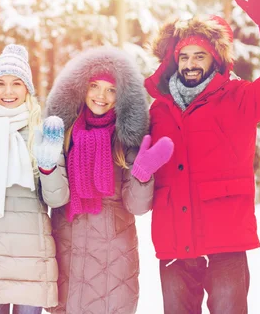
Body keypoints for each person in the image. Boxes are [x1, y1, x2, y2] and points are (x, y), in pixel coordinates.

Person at [143, 0, 260, 313]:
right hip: (174, 245)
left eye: (199, 56)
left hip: (225, 242)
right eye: (184, 57)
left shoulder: (239, 98)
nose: (190, 64)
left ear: (215, 59)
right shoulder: (158, 110)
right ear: (174, 61)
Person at [45, 47, 174, 313]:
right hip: (66, 248)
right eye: (94, 86)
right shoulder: (64, 134)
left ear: (122, 96)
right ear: (80, 88)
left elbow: (136, 207)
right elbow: (53, 196)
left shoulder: (126, 140)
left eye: (111, 89)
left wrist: (142, 175)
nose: (101, 96)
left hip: (113, 259)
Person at [0, 44, 70, 314]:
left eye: (16, 83)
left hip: (31, 255)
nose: (8, 92)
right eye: (0, 83)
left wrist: (48, 167)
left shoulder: (41, 131)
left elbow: (58, 199)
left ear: (27, 89)